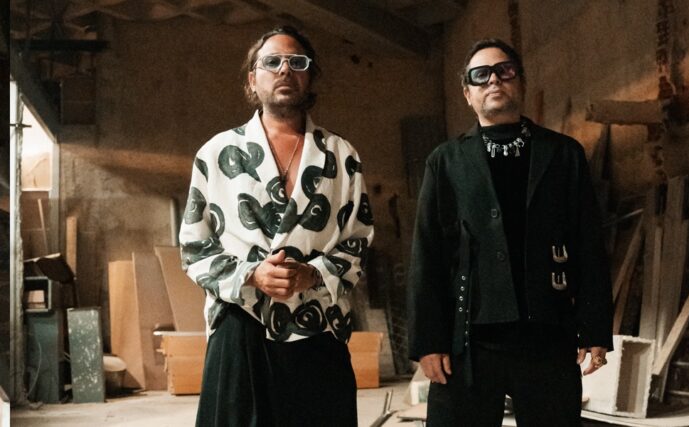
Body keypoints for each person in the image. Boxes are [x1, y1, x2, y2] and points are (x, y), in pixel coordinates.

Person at [407, 38, 613, 426]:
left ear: (520, 82)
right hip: (467, 340)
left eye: (505, 71)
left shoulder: (563, 154)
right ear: (467, 93)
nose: (493, 80)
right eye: (480, 75)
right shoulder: (445, 162)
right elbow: (427, 255)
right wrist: (428, 342)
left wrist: (595, 328)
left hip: (548, 335)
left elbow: (588, 244)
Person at [179, 25, 374, 427]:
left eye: (296, 62)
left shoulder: (340, 155)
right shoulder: (217, 153)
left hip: (318, 325)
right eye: (272, 62)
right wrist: (252, 274)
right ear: (253, 79)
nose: (285, 70)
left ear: (309, 76)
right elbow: (195, 247)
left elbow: (358, 241)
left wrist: (311, 274)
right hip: (241, 324)